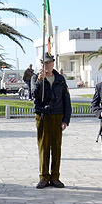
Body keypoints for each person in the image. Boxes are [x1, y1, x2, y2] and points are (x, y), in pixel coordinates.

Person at [32, 53, 71, 188]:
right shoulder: (35, 78)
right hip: (43, 115)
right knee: (43, 147)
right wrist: (39, 81)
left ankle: (55, 177)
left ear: (53, 63)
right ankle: (43, 176)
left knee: (56, 148)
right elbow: (34, 95)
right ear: (41, 64)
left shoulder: (60, 79)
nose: (47, 65)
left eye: (49, 63)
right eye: (44, 63)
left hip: (57, 115)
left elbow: (67, 99)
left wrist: (66, 119)